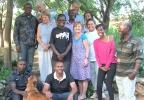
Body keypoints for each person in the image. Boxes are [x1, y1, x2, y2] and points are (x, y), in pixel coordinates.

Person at [116, 21, 144, 100]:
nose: (119, 27)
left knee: (129, 97)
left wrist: (134, 72)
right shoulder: (120, 41)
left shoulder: (136, 41)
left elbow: (139, 58)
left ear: (128, 28)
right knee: (121, 96)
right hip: (119, 74)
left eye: (122, 25)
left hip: (128, 75)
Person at [94, 24, 117, 100]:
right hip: (101, 65)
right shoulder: (95, 42)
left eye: (101, 29)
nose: (99, 31)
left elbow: (112, 53)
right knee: (99, 85)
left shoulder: (110, 39)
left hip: (111, 64)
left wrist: (107, 66)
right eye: (98, 30)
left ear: (105, 30)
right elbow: (96, 55)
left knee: (108, 84)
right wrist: (100, 66)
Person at [13, 3, 38, 71]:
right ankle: (20, 79)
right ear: (23, 9)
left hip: (32, 44)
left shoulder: (34, 19)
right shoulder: (19, 18)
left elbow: (37, 32)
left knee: (30, 63)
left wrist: (37, 42)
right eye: (26, 7)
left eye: (30, 8)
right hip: (22, 44)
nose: (28, 9)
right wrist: (17, 44)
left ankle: (28, 78)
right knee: (22, 62)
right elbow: (15, 32)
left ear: (31, 9)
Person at [70, 22, 90, 100]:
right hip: (75, 60)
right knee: (79, 77)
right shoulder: (73, 36)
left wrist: (86, 58)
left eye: (79, 26)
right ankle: (81, 93)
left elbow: (87, 48)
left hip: (82, 59)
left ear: (81, 28)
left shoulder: (83, 36)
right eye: (76, 27)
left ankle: (84, 94)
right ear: (73, 28)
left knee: (84, 78)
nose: (77, 28)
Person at [37, 13, 55, 82]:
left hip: (50, 47)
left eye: (46, 17)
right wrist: (43, 45)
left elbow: (54, 37)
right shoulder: (40, 25)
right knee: (42, 64)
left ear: (49, 17)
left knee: (50, 65)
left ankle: (50, 81)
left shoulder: (53, 25)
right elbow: (38, 37)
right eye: (43, 17)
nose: (44, 18)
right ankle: (43, 81)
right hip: (42, 48)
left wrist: (49, 45)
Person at [85, 19, 99, 98]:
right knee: (93, 76)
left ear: (94, 24)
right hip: (90, 58)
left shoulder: (98, 33)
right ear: (87, 26)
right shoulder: (86, 34)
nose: (90, 25)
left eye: (92, 24)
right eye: (88, 24)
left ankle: (101, 91)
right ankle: (95, 92)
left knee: (99, 75)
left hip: (98, 58)